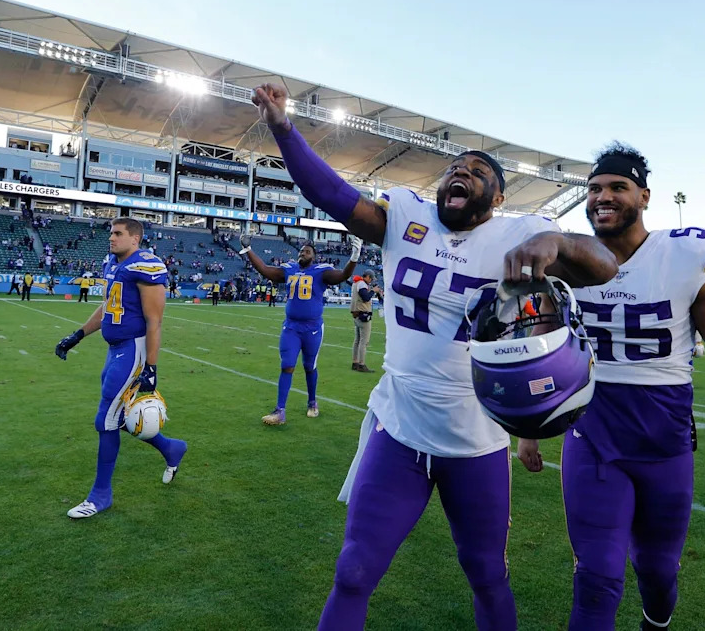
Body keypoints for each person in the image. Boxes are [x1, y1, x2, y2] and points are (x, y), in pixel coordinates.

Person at [251, 82, 618, 629]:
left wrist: (559, 245)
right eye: (456, 167)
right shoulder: (404, 215)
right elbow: (331, 195)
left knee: (487, 575)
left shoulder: (519, 232)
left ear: (496, 200)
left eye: (478, 173)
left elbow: (603, 264)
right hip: (399, 426)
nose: (462, 173)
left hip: (477, 439)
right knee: (353, 570)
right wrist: (285, 130)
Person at [516, 143, 705, 630]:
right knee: (596, 576)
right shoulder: (567, 261)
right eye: (594, 188)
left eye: (618, 187)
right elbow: (545, 340)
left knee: (658, 571)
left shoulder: (684, 253)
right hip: (593, 436)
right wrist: (531, 427)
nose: (603, 196)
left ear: (644, 196)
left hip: (664, 443)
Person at [55, 217, 187, 519]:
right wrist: (77, 335)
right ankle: (171, 449)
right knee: (120, 417)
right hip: (114, 350)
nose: (111, 238)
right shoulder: (113, 265)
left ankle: (100, 495)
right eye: (111, 233)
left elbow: (155, 321)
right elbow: (109, 306)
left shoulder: (146, 266)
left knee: (106, 420)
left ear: (135, 239)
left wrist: (151, 368)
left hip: (132, 350)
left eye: (118, 234)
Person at [238, 235, 361, 424]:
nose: (303, 253)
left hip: (312, 328)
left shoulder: (321, 271)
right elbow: (265, 270)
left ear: (314, 256)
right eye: (301, 251)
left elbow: (343, 275)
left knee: (309, 366)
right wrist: (248, 250)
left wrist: (354, 256)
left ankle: (312, 402)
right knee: (287, 365)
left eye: (307, 251)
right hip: (291, 327)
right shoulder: (290, 269)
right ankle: (280, 411)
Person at [349, 269, 382, 372]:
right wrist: (373, 291)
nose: (371, 281)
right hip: (363, 315)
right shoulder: (362, 284)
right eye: (371, 278)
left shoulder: (356, 283)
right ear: (367, 276)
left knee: (357, 340)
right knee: (364, 342)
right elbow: (366, 298)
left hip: (356, 314)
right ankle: (361, 364)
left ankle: (355, 362)